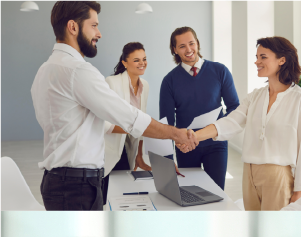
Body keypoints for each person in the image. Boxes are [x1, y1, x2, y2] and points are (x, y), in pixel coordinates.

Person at [31, 0, 196, 211]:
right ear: (73, 27)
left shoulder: (45, 70)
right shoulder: (78, 71)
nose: (98, 33)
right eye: (94, 25)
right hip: (77, 185)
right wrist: (176, 134)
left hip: (56, 181)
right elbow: (130, 118)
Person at [186, 37, 301, 210]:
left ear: (282, 60)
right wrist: (193, 136)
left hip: (278, 175)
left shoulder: (299, 99)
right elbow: (231, 122)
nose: (256, 61)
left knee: (273, 232)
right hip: (249, 173)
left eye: (263, 57)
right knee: (252, 228)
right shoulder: (256, 96)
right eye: (257, 56)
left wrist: (299, 191)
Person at [159, 25, 240, 191]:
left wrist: (222, 131)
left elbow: (234, 109)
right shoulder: (169, 81)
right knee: (191, 193)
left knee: (216, 194)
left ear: (197, 43)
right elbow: (166, 124)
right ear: (174, 50)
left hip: (216, 144)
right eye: (182, 46)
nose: (189, 49)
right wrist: (167, 159)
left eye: (191, 43)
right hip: (186, 147)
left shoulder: (220, 71)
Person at [101, 42, 152, 204]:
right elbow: (102, 122)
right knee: (111, 192)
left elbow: (141, 119)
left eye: (144, 59)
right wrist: (132, 130)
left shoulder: (145, 85)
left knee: (124, 192)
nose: (142, 63)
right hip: (110, 146)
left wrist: (139, 156)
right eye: (136, 60)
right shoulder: (112, 82)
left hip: (129, 146)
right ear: (125, 62)